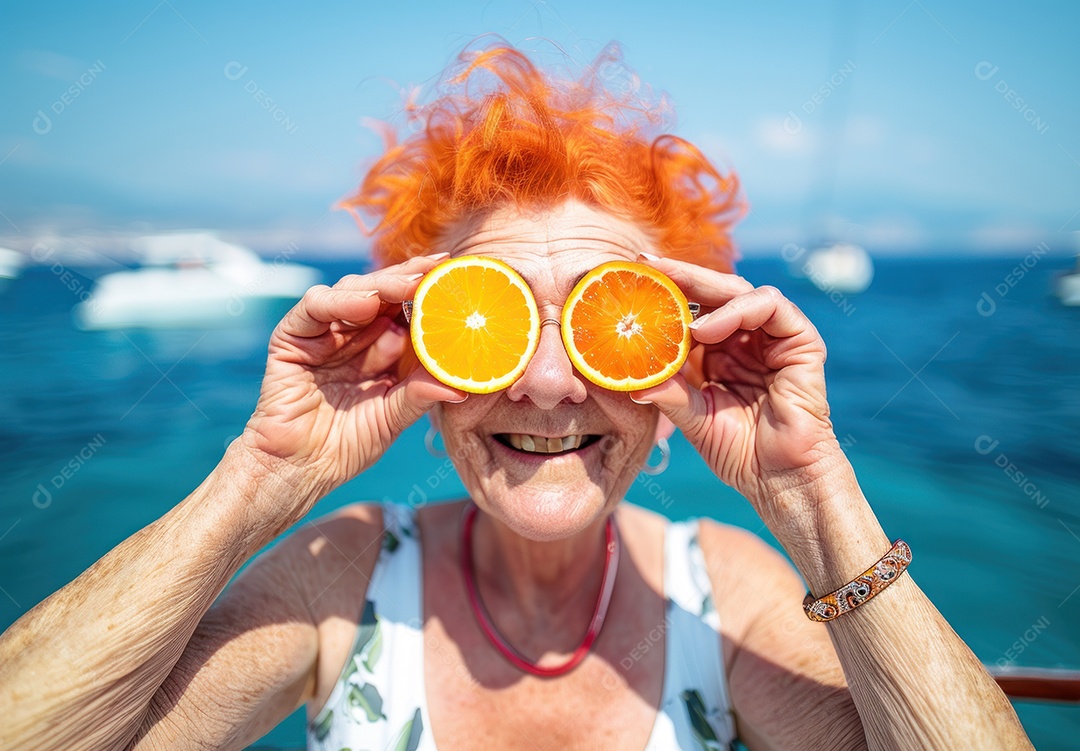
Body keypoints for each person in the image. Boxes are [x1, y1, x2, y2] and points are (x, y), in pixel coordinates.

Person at [0, 41, 1032, 751]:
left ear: (672, 364)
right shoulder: (344, 577)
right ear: (427, 371)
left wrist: (815, 493)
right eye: (492, 324)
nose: (546, 384)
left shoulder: (725, 594)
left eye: (603, 319)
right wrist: (262, 477)